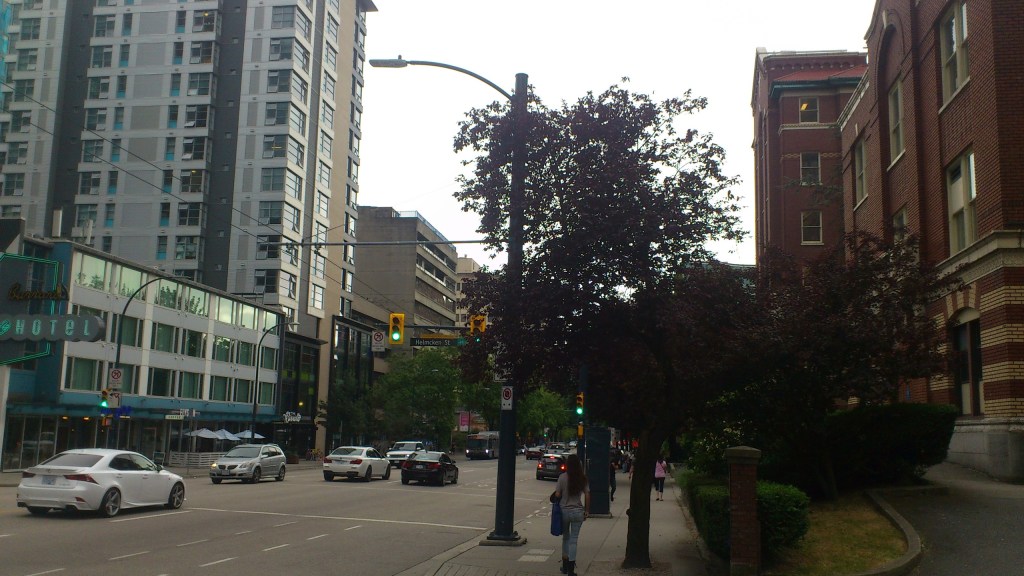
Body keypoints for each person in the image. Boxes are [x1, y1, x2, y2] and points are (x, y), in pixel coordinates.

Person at [554, 453, 590, 576]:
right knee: (574, 540)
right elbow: (587, 494)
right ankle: (571, 569)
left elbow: (557, 494)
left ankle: (564, 566)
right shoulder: (582, 478)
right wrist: (586, 510)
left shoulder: (562, 477)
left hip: (564, 511)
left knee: (566, 538)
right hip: (577, 511)